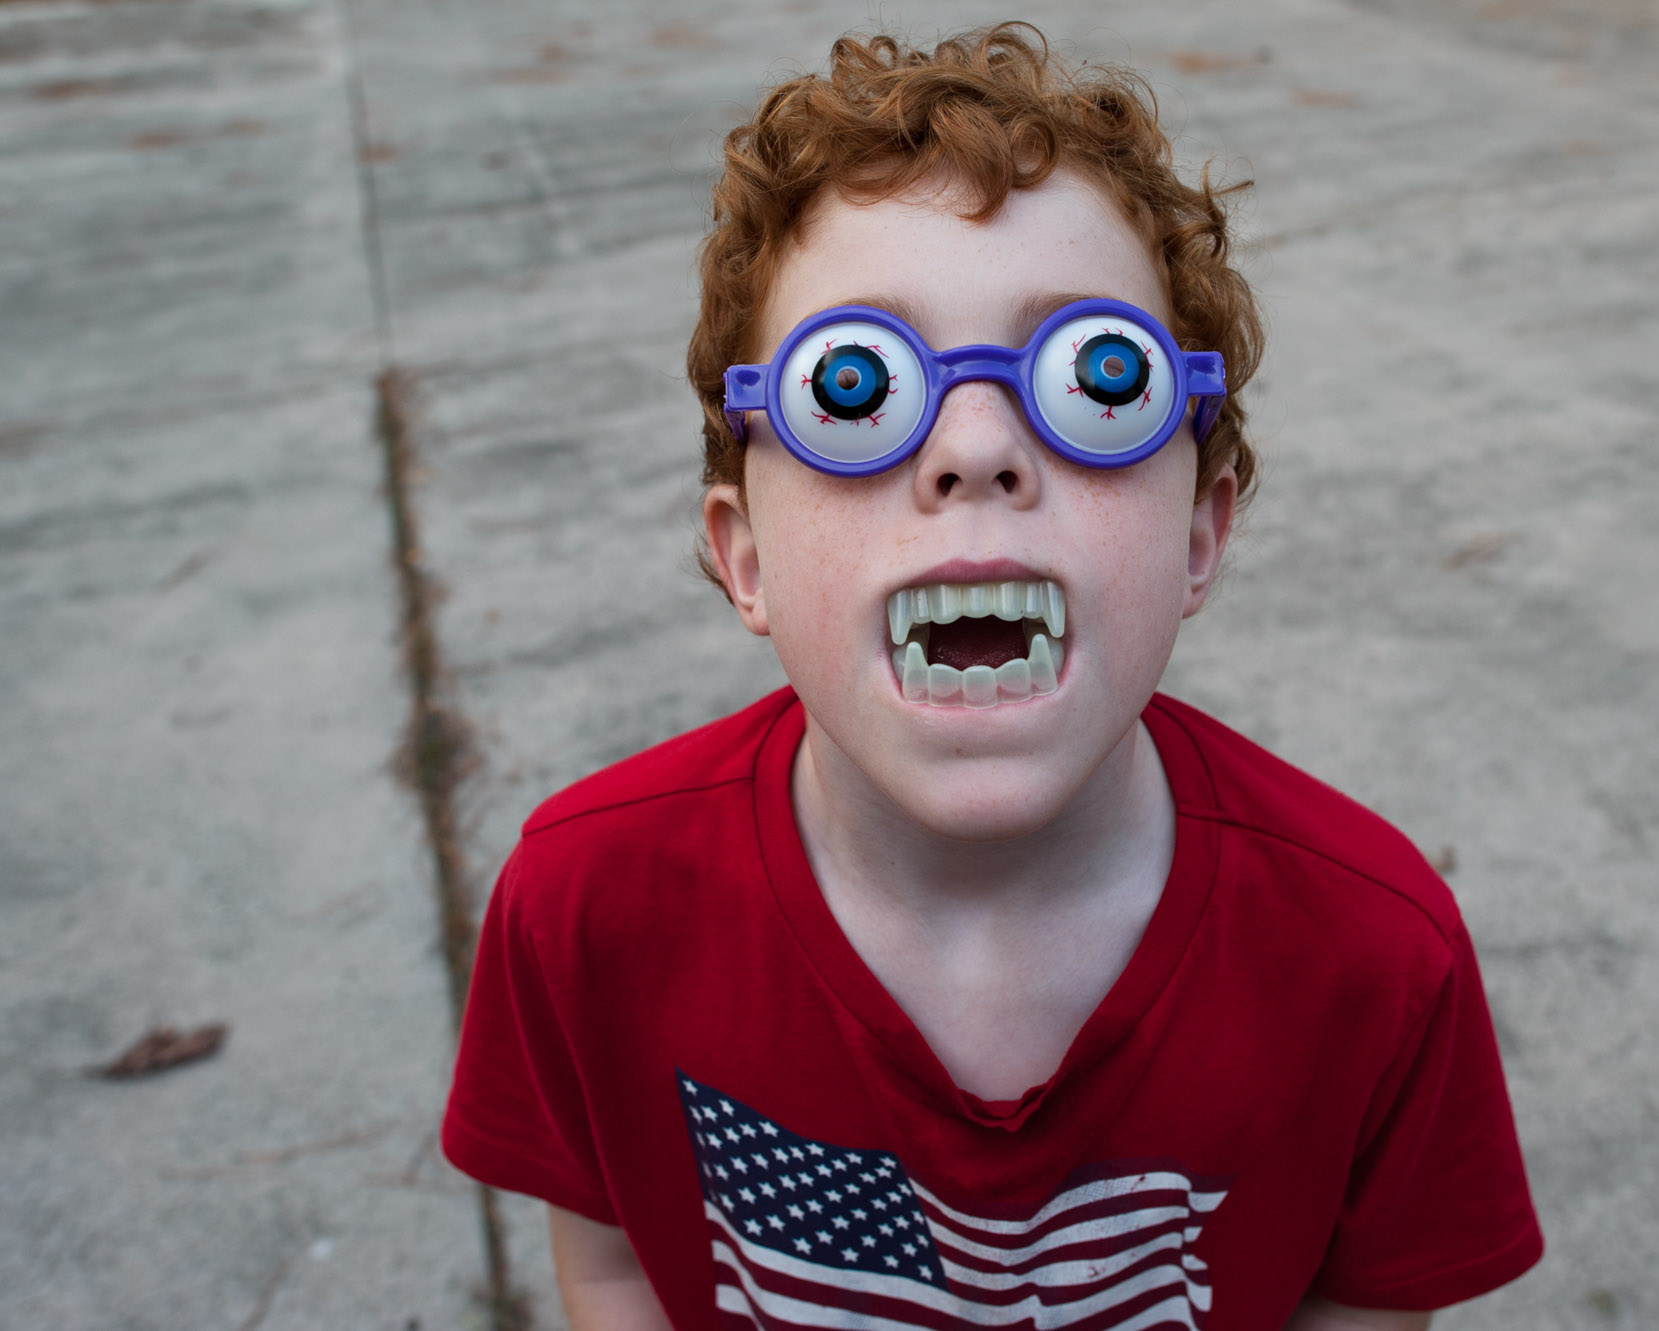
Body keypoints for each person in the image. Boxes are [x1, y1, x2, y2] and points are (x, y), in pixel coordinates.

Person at [442, 23, 1541, 1331]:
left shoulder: (1373, 957)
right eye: (854, 385)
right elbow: (616, 1259)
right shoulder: (585, 911)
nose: (975, 446)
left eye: (1098, 375)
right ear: (744, 559)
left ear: (1202, 533)